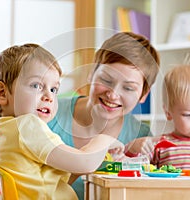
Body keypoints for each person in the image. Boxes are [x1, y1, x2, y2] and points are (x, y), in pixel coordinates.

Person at [0, 43, 122, 200]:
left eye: (53, 90)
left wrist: (88, 158)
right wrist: (104, 139)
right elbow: (85, 162)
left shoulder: (9, 132)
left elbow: (52, 182)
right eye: (37, 85)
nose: (49, 97)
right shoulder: (27, 126)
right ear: (2, 93)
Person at [48, 32, 160, 199]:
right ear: (91, 73)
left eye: (128, 88)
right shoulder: (49, 115)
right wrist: (83, 163)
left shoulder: (140, 138)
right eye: (106, 80)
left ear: (143, 94)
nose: (113, 95)